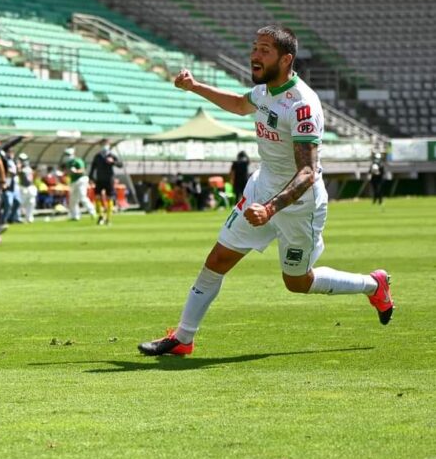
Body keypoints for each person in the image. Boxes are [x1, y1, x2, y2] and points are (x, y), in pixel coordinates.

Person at [138, 25, 394, 357]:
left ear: (286, 59)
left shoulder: (302, 106)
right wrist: (195, 87)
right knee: (217, 260)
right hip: (260, 189)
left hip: (298, 204)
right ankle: (183, 337)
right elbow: (239, 104)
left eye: (264, 50)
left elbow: (307, 172)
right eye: (254, 48)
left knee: (297, 283)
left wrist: (271, 209)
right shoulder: (263, 92)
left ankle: (373, 284)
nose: (254, 56)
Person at [89, 139, 123, 225]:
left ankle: (108, 218)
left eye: (106, 144)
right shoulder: (97, 156)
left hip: (109, 179)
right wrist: (91, 177)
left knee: (109, 198)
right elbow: (93, 167)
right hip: (99, 179)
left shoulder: (111, 155)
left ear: (109, 145)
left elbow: (120, 165)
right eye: (103, 144)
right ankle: (100, 216)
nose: (104, 146)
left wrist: (113, 162)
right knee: (97, 197)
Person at [63, 148, 95, 221]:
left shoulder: (78, 161)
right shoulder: (68, 163)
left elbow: (83, 170)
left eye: (68, 155)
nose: (67, 156)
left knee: (82, 197)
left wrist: (76, 171)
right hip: (73, 182)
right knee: (72, 200)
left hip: (81, 180)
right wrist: (68, 172)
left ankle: (92, 212)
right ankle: (75, 216)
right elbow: (68, 172)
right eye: (66, 155)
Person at [17, 153, 37, 223]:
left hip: (30, 187)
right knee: (21, 203)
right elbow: (19, 173)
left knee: (31, 202)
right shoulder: (20, 168)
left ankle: (29, 217)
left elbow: (31, 178)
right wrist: (19, 167)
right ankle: (18, 217)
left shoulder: (29, 168)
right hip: (23, 187)